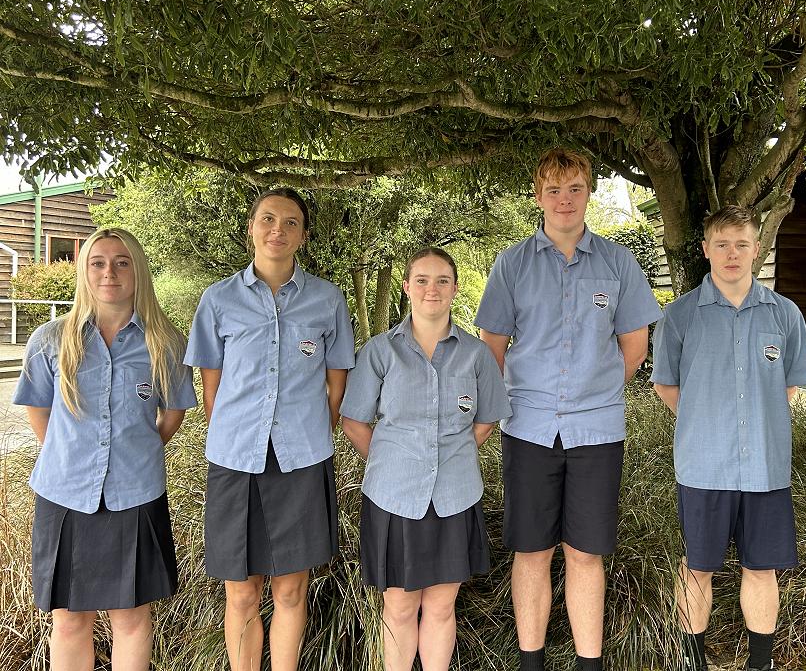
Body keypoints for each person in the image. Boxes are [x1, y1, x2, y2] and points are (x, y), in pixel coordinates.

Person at [475, 148, 662, 671]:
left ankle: (588, 664)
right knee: (532, 551)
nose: (565, 200)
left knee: (585, 552)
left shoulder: (618, 263)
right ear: (538, 196)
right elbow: (492, 347)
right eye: (554, 190)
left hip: (597, 431)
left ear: (589, 193)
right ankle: (530, 663)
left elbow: (635, 347)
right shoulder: (512, 264)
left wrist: (591, 392)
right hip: (528, 428)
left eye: (575, 188)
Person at [184, 188, 355, 671]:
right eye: (267, 219)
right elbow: (212, 390)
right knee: (241, 592)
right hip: (236, 461)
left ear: (303, 235)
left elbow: (336, 383)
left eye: (291, 222)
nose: (278, 230)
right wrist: (236, 437)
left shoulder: (327, 299)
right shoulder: (218, 300)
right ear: (251, 228)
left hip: (301, 460)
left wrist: (314, 429)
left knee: (291, 589)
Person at [13, 227, 196, 671]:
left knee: (130, 617)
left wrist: (132, 454)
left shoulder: (165, 343)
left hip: (135, 495)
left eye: (121, 262)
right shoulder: (50, 340)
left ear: (138, 271)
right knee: (69, 619)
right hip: (64, 497)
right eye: (97, 262)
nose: (108, 272)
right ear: (84, 271)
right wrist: (72, 457)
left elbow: (172, 414)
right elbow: (40, 413)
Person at [651, 205, 806, 671]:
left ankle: (760, 664)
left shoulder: (785, 314)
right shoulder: (680, 315)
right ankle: (692, 662)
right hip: (703, 468)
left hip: (765, 467)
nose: (732, 253)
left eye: (742, 244)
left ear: (757, 249)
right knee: (697, 566)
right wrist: (704, 422)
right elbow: (666, 385)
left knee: (761, 567)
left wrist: (754, 421)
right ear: (706, 249)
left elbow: (790, 385)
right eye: (722, 244)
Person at [340, 247, 511, 671]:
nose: (431, 289)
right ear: (406, 287)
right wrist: (394, 460)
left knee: (440, 606)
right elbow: (354, 422)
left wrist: (444, 458)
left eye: (441, 281)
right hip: (393, 498)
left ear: (455, 288)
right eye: (421, 280)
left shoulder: (476, 355)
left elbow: (486, 421)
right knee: (399, 608)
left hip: (455, 496)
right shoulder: (380, 352)